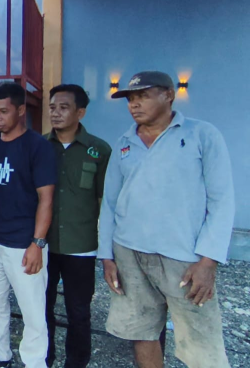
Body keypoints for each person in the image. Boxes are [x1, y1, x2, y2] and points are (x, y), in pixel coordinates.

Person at [99, 71, 234, 368]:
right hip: (129, 253)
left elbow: (222, 201)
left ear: (169, 95)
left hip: (184, 257)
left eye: (143, 96)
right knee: (141, 331)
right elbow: (109, 202)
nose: (134, 104)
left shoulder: (201, 135)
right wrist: (107, 257)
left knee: (202, 344)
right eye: (130, 99)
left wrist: (208, 261)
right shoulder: (124, 142)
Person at [0, 81, 56, 368]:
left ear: (21, 110)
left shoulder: (38, 147)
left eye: (3, 111)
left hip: (24, 243)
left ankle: (35, 362)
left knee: (33, 310)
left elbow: (46, 199)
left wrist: (38, 243)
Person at [43, 84, 111, 368]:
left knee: (79, 311)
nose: (55, 113)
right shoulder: (40, 146)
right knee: (41, 306)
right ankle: (44, 358)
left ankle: (76, 362)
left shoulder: (99, 150)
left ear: (80, 112)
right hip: (43, 244)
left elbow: (105, 200)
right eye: (52, 107)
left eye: (64, 107)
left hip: (80, 246)